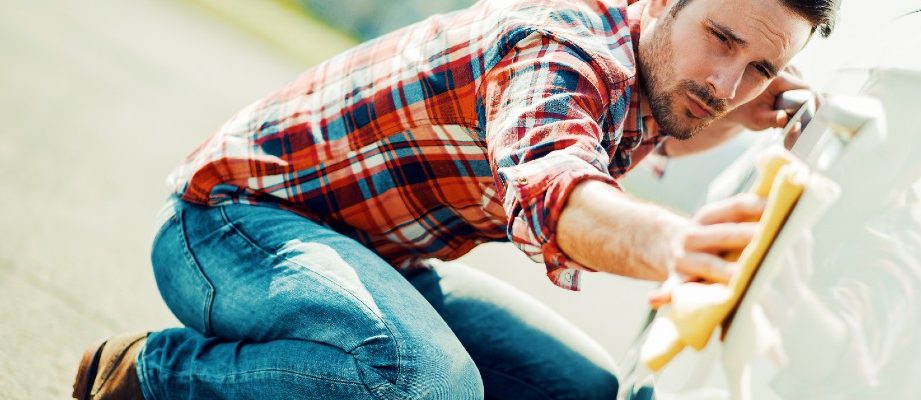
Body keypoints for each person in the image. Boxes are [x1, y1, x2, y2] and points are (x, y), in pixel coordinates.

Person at [72, 0, 836, 398]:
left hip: (374, 258)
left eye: (764, 68)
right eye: (723, 38)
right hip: (227, 225)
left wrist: (737, 115)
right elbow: (556, 189)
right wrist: (677, 248)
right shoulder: (561, 52)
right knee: (424, 383)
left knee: (580, 392)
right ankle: (156, 374)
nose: (729, 82)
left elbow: (661, 126)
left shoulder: (656, 71)